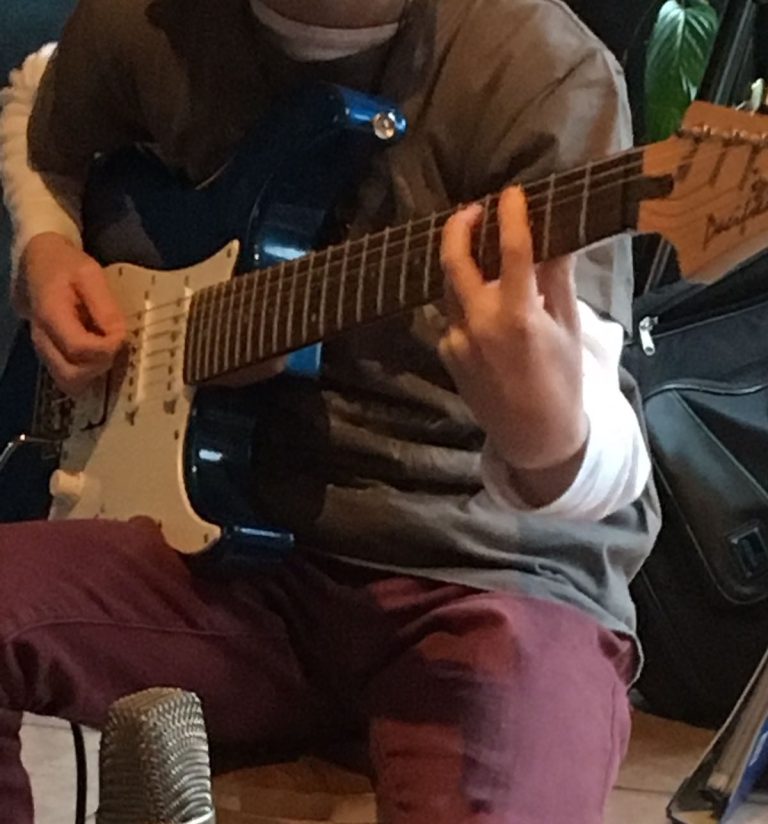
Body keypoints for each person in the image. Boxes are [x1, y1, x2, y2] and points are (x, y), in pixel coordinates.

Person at [0, 1, 660, 821]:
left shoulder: (538, 66)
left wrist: (546, 433)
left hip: (491, 578)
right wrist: (47, 246)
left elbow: (611, 460)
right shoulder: (147, 21)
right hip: (235, 558)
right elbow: (38, 100)